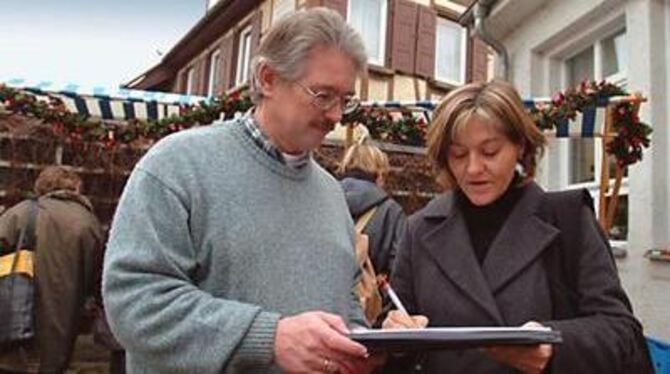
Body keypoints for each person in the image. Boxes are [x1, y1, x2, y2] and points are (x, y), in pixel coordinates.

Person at [103, 8, 384, 374]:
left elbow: (342, 298)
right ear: (268, 79)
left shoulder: (332, 194)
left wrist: (360, 340)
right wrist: (270, 337)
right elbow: (135, 301)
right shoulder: (176, 166)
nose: (336, 116)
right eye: (322, 95)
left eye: (345, 100)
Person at [383, 80, 652, 373]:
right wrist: (394, 337)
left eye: (490, 151)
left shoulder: (568, 219)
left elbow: (622, 333)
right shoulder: (418, 229)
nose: (473, 169)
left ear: (520, 146)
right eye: (459, 154)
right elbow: (394, 334)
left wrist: (552, 348)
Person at [0, 166, 104, 373]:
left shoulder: (21, 214)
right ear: (75, 188)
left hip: (16, 322)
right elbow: (99, 279)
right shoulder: (89, 224)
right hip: (64, 328)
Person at [338, 142, 406, 277]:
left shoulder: (323, 198)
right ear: (380, 174)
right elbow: (400, 269)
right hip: (367, 294)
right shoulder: (392, 212)